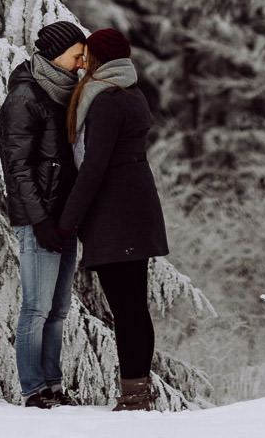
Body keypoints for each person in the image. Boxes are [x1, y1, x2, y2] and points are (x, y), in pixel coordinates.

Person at [57, 27, 168, 412]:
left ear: (102, 58)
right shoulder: (129, 93)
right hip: (134, 208)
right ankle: (138, 392)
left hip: (116, 214)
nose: (83, 61)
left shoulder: (106, 100)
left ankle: (134, 397)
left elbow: (93, 168)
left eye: (88, 54)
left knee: (127, 308)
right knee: (134, 306)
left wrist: (66, 222)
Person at [0, 20, 87, 408]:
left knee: (59, 308)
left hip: (64, 218)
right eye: (77, 54)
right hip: (40, 219)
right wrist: (40, 220)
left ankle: (53, 385)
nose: (83, 62)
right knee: (36, 307)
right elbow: (16, 166)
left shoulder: (66, 93)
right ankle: (33, 390)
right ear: (57, 52)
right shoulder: (25, 96)